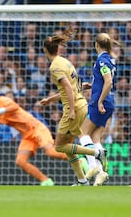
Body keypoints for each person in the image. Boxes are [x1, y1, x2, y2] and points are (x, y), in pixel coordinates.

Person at [0, 88, 70, 186]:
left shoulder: (3, 101)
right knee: (21, 161)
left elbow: (14, 106)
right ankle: (46, 181)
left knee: (50, 152)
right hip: (27, 136)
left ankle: (77, 158)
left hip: (37, 128)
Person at [39, 26, 108, 186]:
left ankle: (96, 153)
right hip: (81, 104)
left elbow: (69, 88)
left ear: (45, 50)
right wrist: (50, 99)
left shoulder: (55, 67)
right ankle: (82, 180)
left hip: (74, 108)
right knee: (69, 147)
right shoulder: (65, 61)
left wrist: (69, 110)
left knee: (59, 146)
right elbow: (73, 86)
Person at [79, 33, 118, 186]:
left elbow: (108, 82)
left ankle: (93, 166)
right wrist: (93, 84)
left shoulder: (101, 60)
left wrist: (99, 100)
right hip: (109, 102)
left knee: (81, 132)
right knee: (95, 138)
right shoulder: (110, 59)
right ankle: (101, 173)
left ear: (96, 44)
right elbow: (104, 81)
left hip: (100, 102)